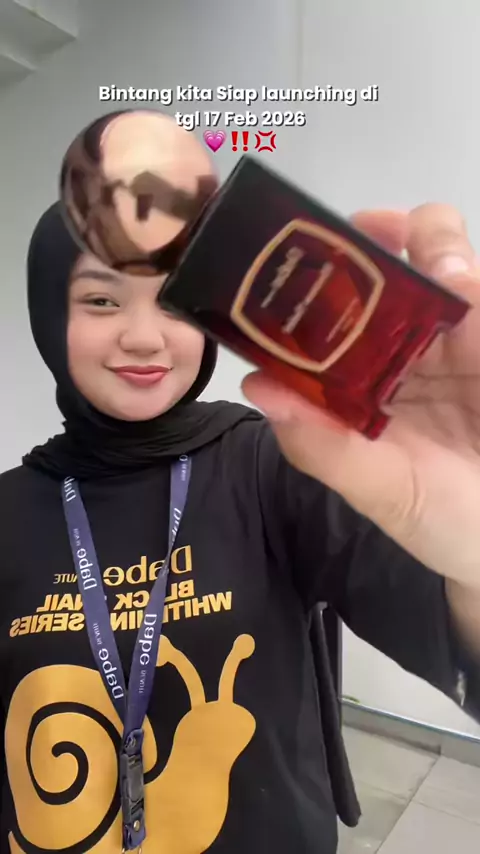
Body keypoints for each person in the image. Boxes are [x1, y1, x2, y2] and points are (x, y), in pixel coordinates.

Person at [0, 200, 479, 854]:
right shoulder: (10, 509)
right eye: (102, 301)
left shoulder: (272, 461)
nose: (145, 337)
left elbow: (449, 637)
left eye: (172, 301)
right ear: (49, 315)